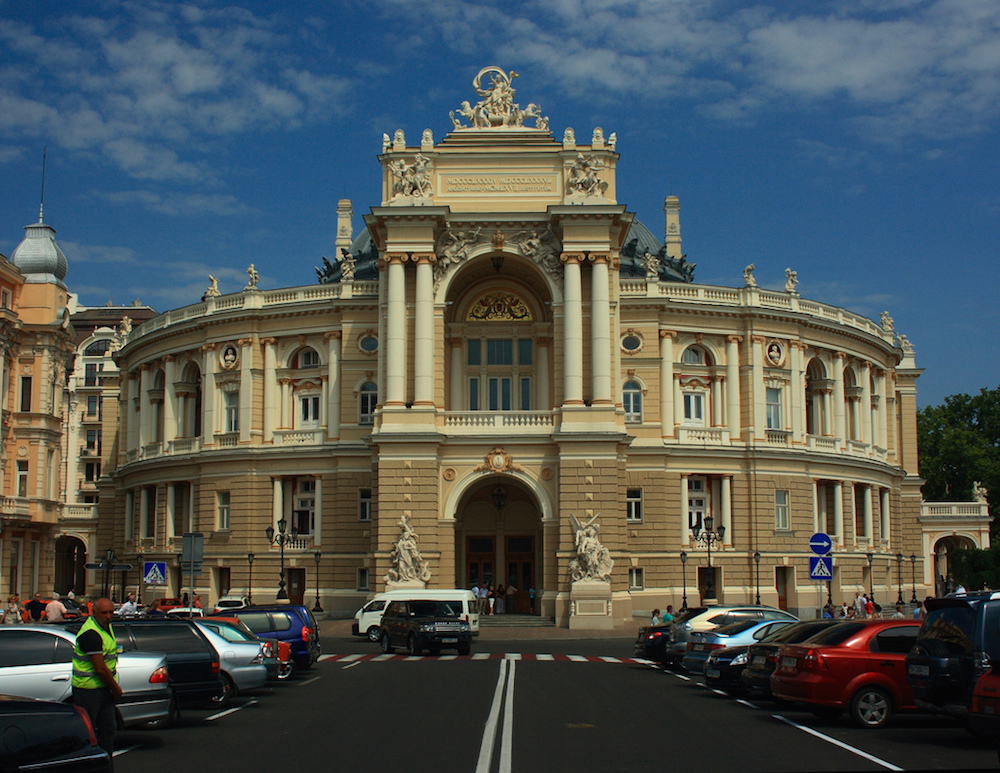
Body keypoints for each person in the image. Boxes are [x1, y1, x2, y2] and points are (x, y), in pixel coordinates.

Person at [72, 597, 122, 760]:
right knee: (88, 734)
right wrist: (116, 689)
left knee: (108, 731)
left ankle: (104, 763)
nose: (108, 616)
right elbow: (100, 668)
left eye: (110, 612)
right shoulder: (91, 633)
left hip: (103, 690)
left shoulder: (106, 627)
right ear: (94, 613)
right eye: (104, 613)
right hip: (88, 691)